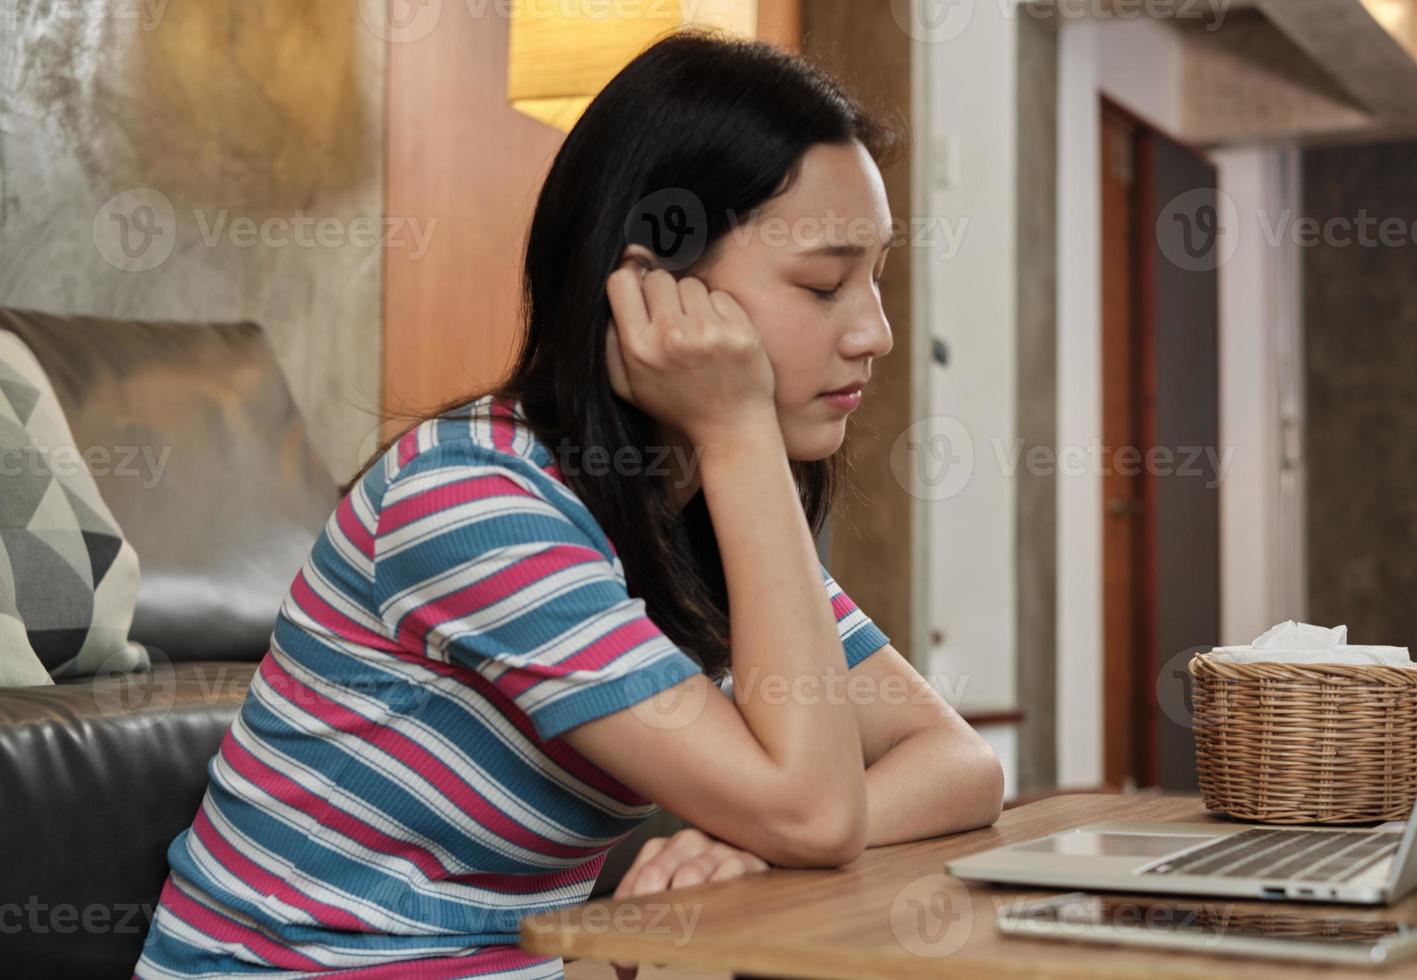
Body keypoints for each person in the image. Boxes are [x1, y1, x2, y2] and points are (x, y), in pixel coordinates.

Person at [134, 28, 1004, 980]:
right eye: (824, 283)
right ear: (653, 288)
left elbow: (958, 763)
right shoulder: (473, 500)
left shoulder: (695, 512)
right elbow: (815, 808)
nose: (874, 333)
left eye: (874, 278)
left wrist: (763, 843)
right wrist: (740, 432)